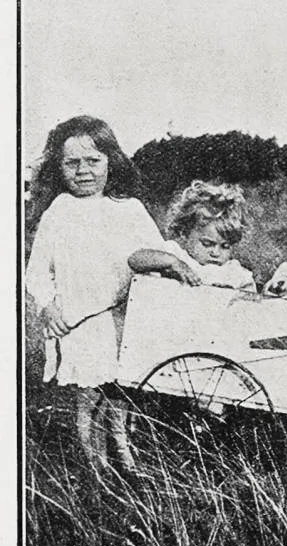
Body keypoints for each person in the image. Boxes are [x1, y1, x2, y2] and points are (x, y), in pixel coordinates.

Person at [26, 115, 165, 473]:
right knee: (87, 395)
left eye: (93, 160)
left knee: (121, 393)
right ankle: (95, 464)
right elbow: (37, 271)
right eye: (72, 163)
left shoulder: (129, 209)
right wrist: (47, 305)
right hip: (80, 320)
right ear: (58, 168)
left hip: (123, 317)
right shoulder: (58, 212)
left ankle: (124, 454)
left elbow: (160, 253)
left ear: (111, 162)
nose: (83, 171)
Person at [128, 179, 256, 291]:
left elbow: (253, 306)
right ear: (185, 232)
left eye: (225, 246)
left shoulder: (234, 272)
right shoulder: (177, 254)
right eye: (207, 244)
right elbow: (135, 260)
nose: (215, 253)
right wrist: (172, 262)